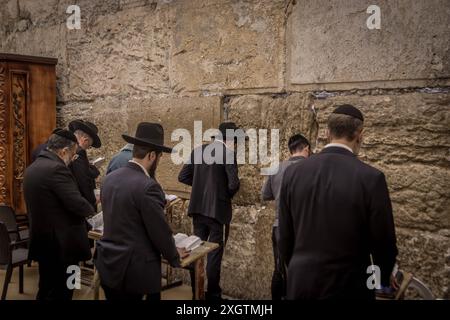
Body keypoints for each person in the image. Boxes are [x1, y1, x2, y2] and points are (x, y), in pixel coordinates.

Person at [278, 104, 398, 300]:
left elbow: (284, 235)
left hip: (302, 283)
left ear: (327, 132)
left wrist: (298, 268)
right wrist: (381, 279)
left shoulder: (293, 173)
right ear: (360, 134)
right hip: (349, 286)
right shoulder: (371, 178)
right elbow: (384, 243)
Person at [94, 122, 187, 300]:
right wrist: (174, 255)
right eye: (159, 157)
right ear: (152, 155)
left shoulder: (109, 178)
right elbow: (159, 230)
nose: (158, 161)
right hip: (132, 270)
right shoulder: (147, 186)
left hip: (107, 263)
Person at [23, 129, 95, 300]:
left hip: (44, 242)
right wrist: (90, 208)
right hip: (65, 247)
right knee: (66, 290)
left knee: (47, 287)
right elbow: (78, 204)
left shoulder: (33, 168)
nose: (73, 159)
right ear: (64, 151)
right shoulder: (57, 169)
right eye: (73, 154)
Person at [178, 122, 241, 300]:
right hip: (216, 211)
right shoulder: (228, 154)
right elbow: (233, 184)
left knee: (195, 250)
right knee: (214, 253)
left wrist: (201, 188)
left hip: (197, 208)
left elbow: (182, 176)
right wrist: (219, 191)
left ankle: (195, 292)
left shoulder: (198, 150)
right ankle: (213, 294)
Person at [261, 133, 311, 300]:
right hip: (303, 228)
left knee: (279, 269)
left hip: (279, 226)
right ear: (306, 148)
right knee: (304, 273)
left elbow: (265, 194)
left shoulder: (277, 167)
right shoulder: (312, 166)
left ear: (290, 150)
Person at [68, 120, 102, 211]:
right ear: (85, 140)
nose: (88, 148)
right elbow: (83, 181)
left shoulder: (68, 148)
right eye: (89, 146)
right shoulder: (79, 152)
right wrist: (92, 200)